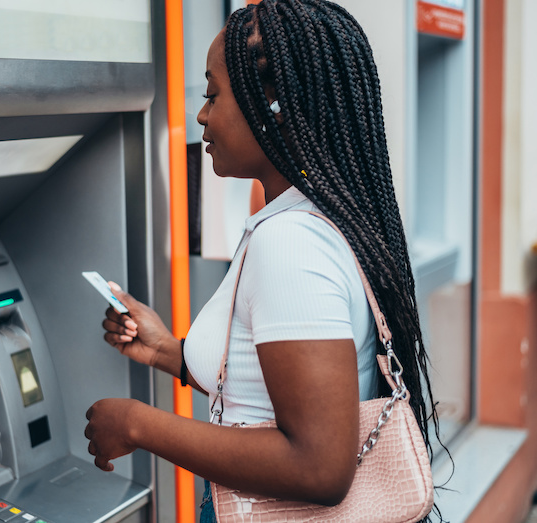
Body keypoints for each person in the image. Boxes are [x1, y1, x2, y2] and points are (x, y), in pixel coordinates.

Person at [84, 1, 442, 521]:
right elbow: (270, 389)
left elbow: (319, 467)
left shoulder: (291, 243)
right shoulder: (312, 216)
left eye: (213, 93)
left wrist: (138, 423)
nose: (202, 114)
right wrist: (168, 352)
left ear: (273, 102)